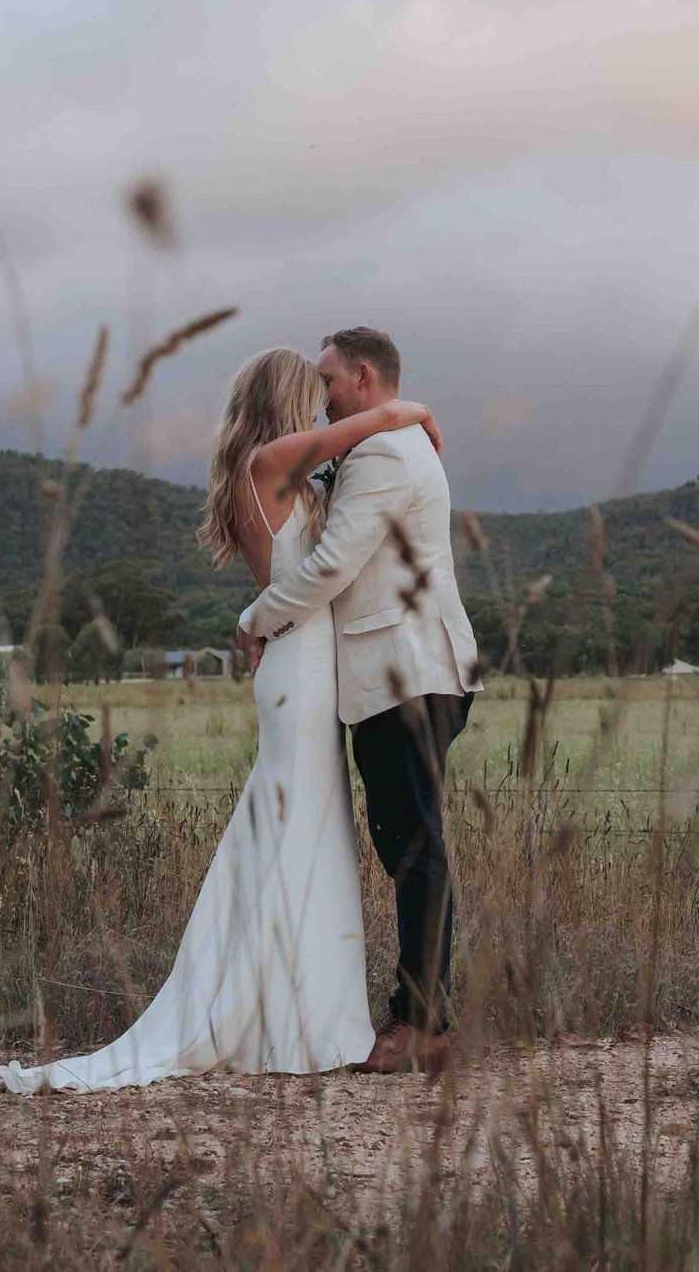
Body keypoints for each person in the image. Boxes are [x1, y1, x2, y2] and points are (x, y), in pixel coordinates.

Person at [0, 346, 443, 1093]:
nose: (319, 410)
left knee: (300, 833)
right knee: (298, 832)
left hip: (299, 667)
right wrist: (416, 410)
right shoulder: (269, 462)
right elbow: (376, 421)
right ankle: (288, 1019)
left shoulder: (266, 469)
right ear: (283, 400)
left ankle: (293, 1013)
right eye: (309, 397)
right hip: (300, 672)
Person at [237, 326, 481, 1074]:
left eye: (330, 380)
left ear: (365, 377)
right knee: (406, 843)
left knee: (414, 848)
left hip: (404, 671)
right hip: (394, 671)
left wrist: (255, 618)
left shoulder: (379, 452)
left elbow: (336, 563)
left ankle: (424, 1025)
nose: (322, 396)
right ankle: (419, 1015)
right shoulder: (374, 444)